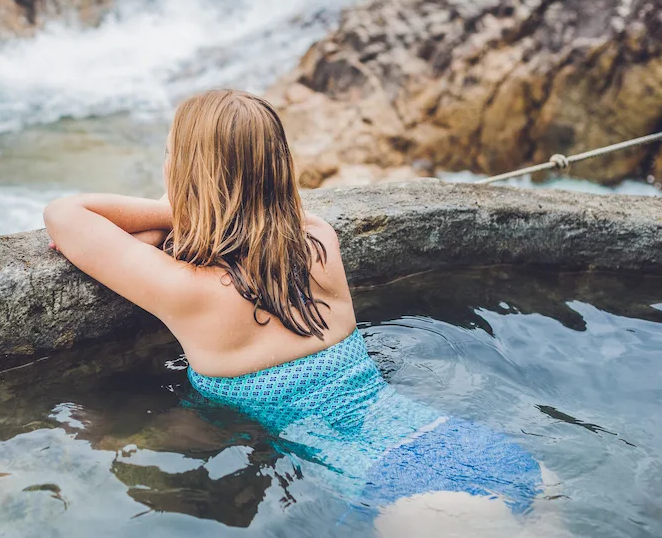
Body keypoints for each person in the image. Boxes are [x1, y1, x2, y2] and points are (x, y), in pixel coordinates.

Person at [43, 88, 563, 537]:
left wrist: (178, 208)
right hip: (486, 453)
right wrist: (211, 203)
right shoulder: (318, 241)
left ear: (186, 174)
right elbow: (264, 214)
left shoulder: (186, 290)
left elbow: (64, 215)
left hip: (415, 502)